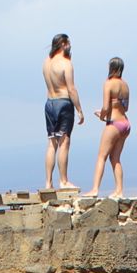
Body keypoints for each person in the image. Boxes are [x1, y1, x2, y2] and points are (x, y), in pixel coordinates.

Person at [84, 57, 131, 199]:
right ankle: (119, 190)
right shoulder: (125, 85)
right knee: (115, 158)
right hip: (125, 124)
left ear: (111, 68)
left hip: (114, 124)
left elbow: (106, 107)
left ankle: (95, 189)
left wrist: (101, 115)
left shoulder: (109, 83)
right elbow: (126, 108)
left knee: (101, 156)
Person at [43, 33, 84, 191]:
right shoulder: (66, 63)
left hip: (49, 103)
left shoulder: (46, 62)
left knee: (51, 142)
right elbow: (71, 89)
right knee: (64, 142)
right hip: (63, 102)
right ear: (63, 44)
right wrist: (79, 109)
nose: (70, 47)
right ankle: (64, 180)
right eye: (68, 44)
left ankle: (48, 182)